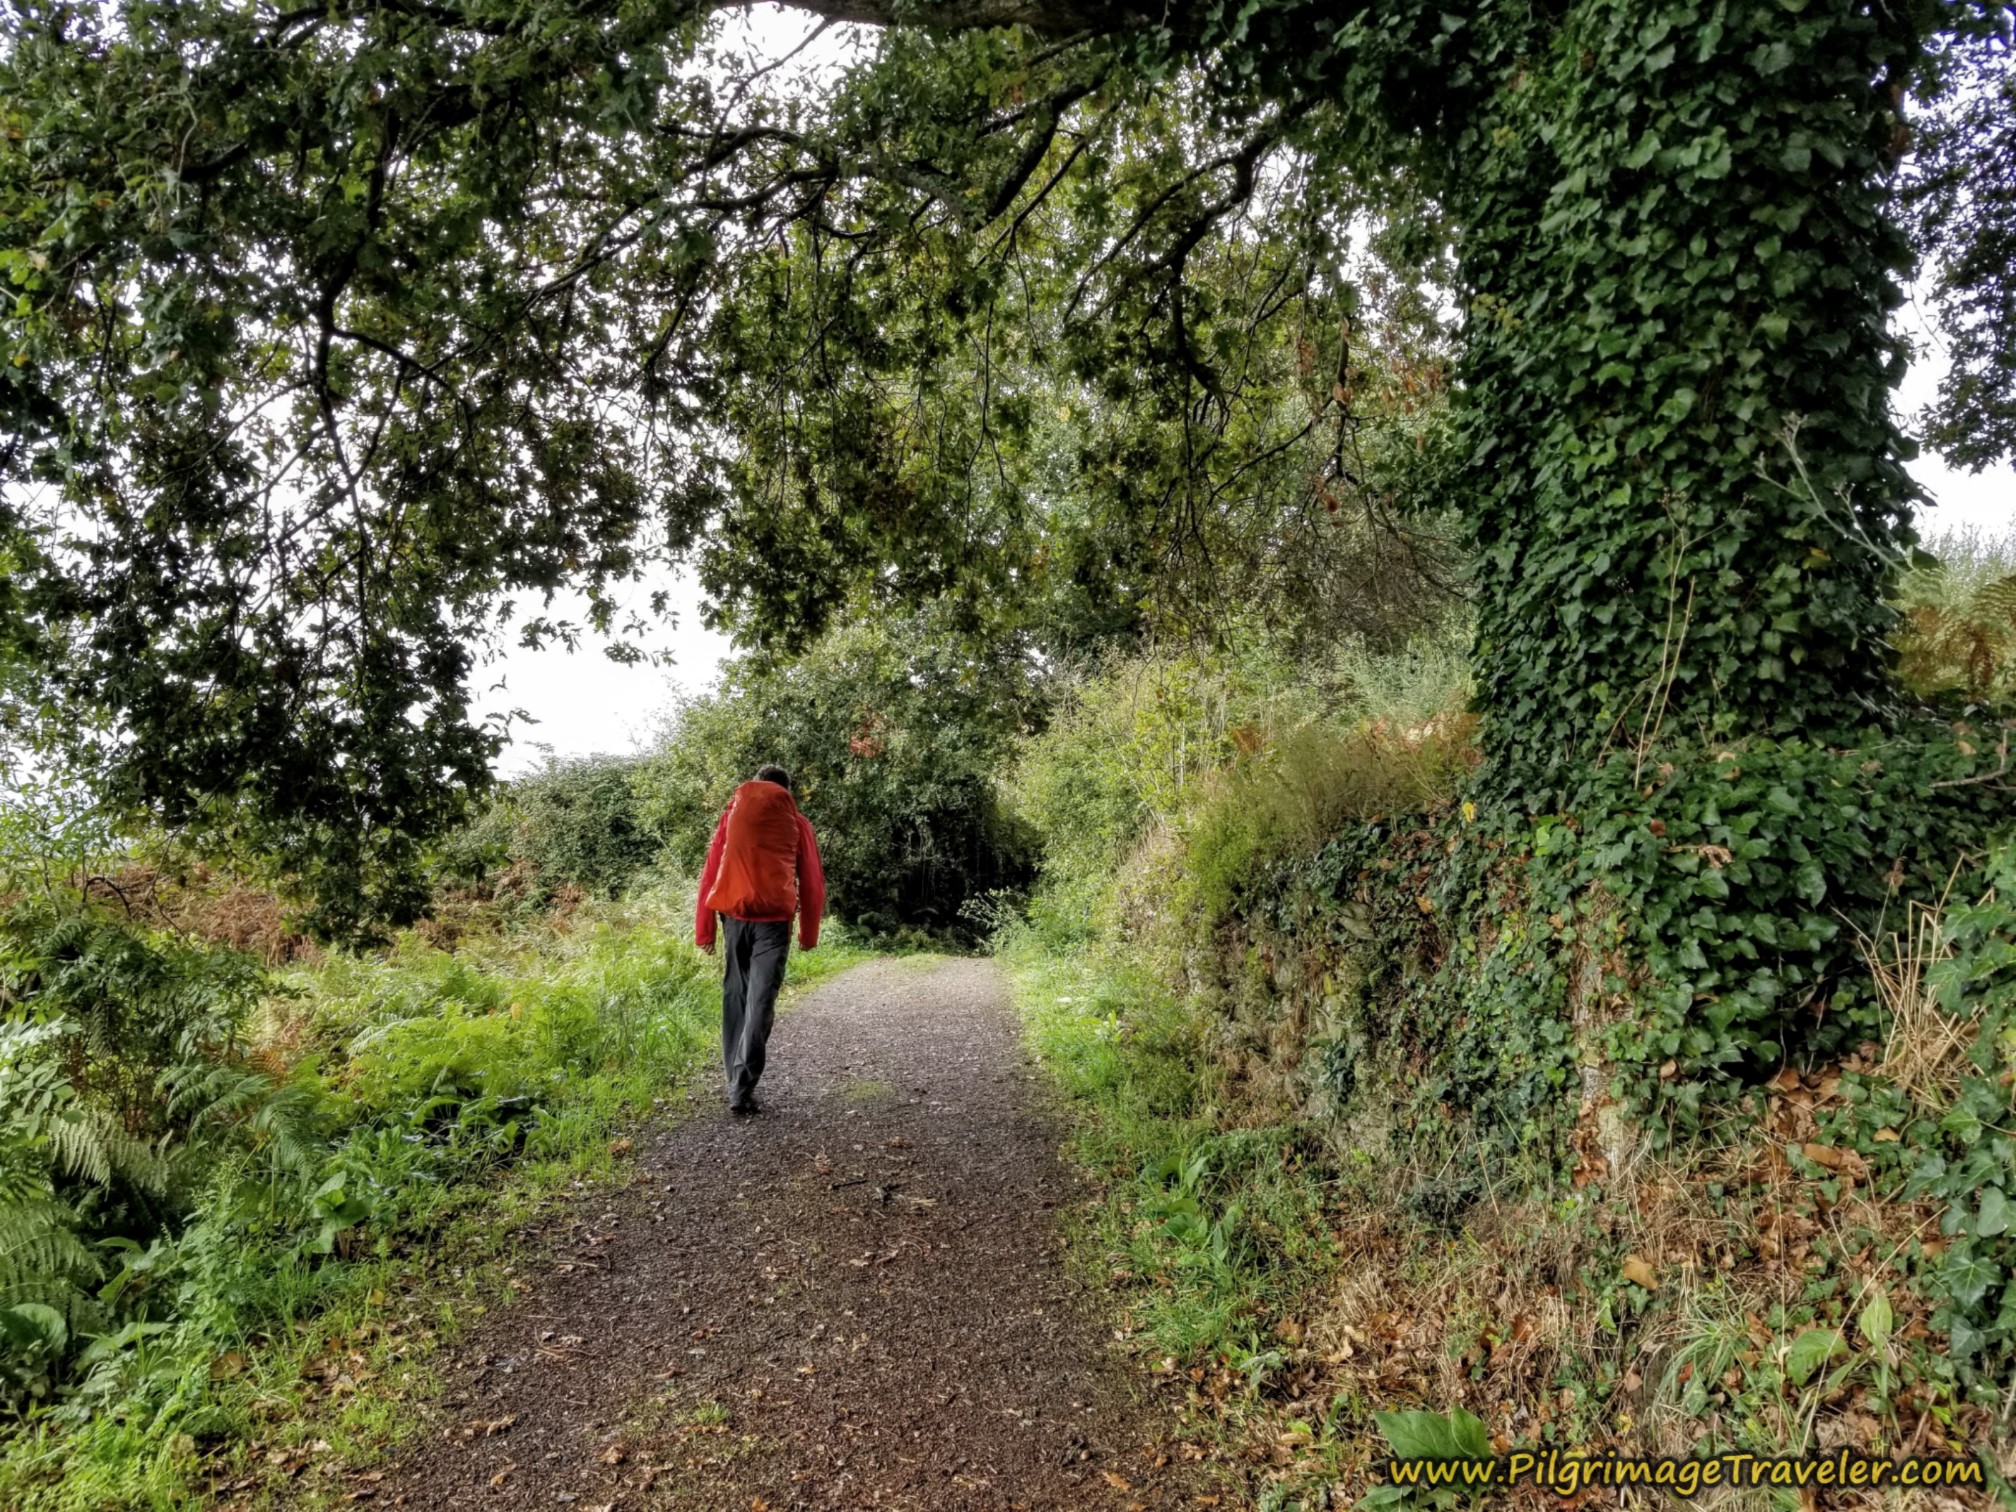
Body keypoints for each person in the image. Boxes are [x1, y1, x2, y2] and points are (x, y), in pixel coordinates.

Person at [694, 765, 825, 1114]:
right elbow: (812, 882)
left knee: (735, 996)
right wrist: (808, 933)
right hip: (773, 923)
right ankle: (741, 1086)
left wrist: (704, 930)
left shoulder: (732, 817)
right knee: (760, 1002)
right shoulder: (797, 823)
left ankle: (734, 1081)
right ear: (786, 792)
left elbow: (711, 871)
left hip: (733, 919)